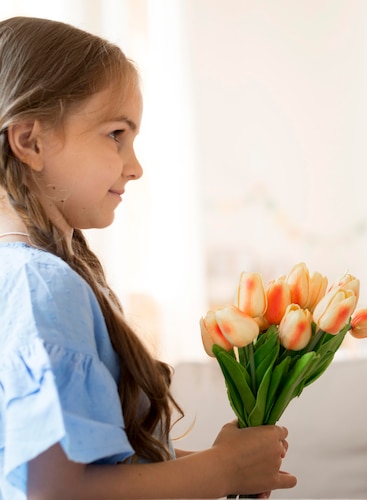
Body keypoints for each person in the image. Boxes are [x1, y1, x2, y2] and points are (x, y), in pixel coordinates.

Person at [0, 16, 297, 499]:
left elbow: (94, 468)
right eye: (115, 134)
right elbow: (55, 493)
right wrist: (222, 471)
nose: (135, 167)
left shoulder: (23, 279)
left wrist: (226, 466)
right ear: (31, 141)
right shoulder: (43, 288)